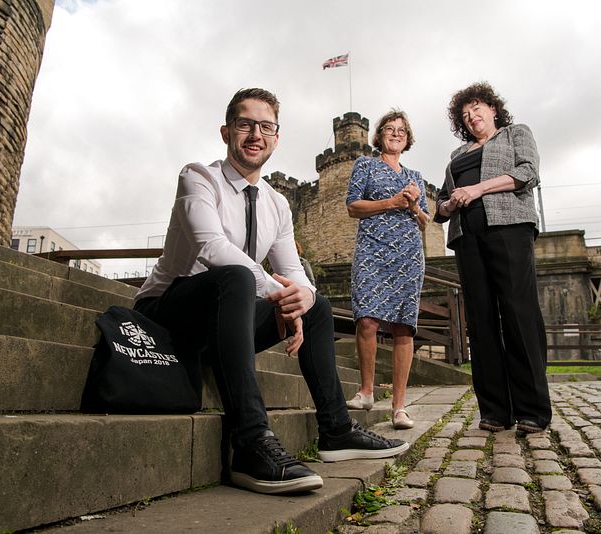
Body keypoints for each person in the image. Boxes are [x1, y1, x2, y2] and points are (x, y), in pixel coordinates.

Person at [134, 88, 408, 495]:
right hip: (166, 316)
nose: (255, 134)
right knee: (239, 277)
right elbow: (213, 248)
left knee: (317, 305)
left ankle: (336, 430)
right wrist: (279, 296)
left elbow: (294, 273)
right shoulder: (198, 177)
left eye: (266, 126)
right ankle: (250, 443)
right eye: (245, 124)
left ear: (276, 138)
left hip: (225, 324)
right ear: (227, 131)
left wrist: (302, 300)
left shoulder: (278, 204)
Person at [434, 82, 551, 435]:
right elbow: (439, 207)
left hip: (509, 228)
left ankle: (532, 409)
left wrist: (478, 189)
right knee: (480, 322)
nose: (472, 117)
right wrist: (450, 203)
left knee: (518, 312)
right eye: (465, 114)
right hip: (467, 237)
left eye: (477, 108)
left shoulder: (515, 134)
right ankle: (495, 410)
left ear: (493, 109)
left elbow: (528, 173)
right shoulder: (457, 156)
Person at [345, 110, 429, 430]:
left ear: (408, 140)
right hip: (373, 250)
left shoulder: (415, 177)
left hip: (408, 255)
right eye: (389, 129)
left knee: (403, 328)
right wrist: (393, 202)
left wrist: (414, 205)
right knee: (366, 319)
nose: (395, 134)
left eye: (402, 131)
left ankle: (399, 407)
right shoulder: (364, 165)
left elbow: (425, 221)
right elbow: (353, 207)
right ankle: (367, 392)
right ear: (378, 135)